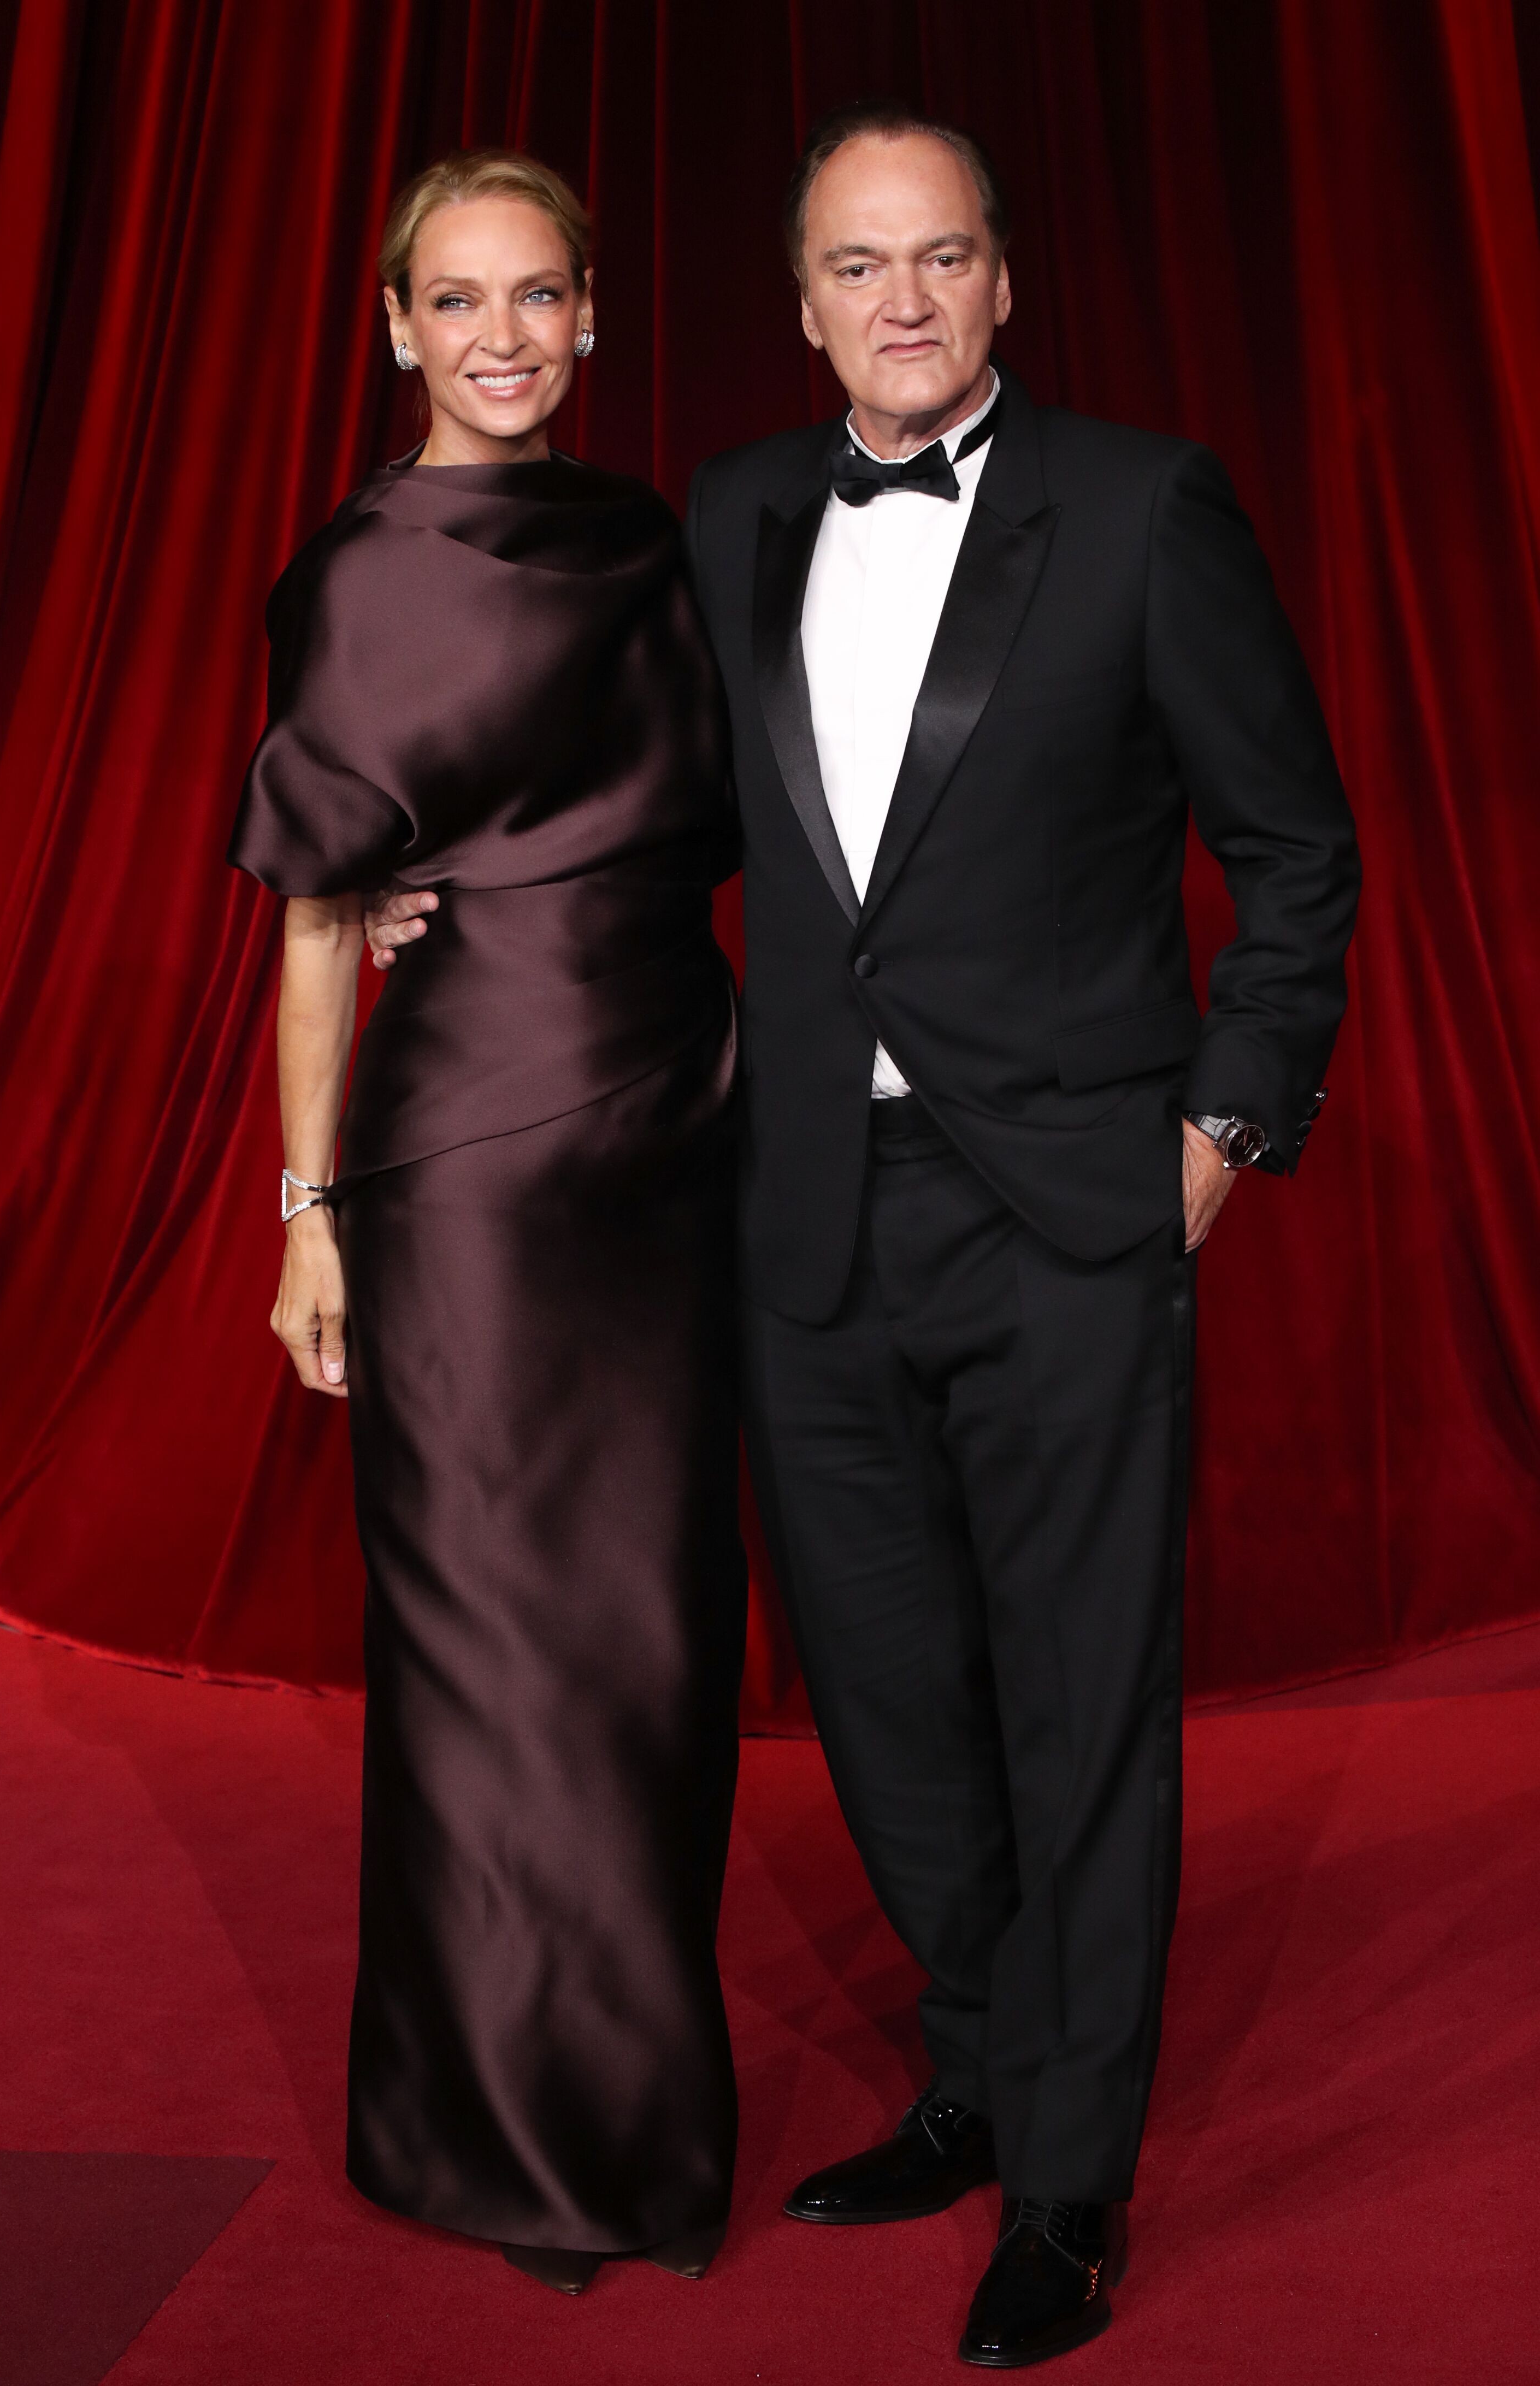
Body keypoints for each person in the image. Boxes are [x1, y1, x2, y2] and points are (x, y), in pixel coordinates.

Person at [369, 105, 1361, 2368]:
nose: (899, 302)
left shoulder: (1145, 506)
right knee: (895, 1703)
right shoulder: (731, 513)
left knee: (1078, 1707)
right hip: (805, 1213)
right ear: (802, 302)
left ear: (1000, 279)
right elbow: (646, 797)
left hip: (1071, 1215)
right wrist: (438, 872)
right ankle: (977, 2077)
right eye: (854, 265)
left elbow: (1295, 853)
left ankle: (1074, 2186)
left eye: (937, 259)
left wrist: (1217, 1132)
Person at [229, 150, 746, 2297]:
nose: (502, 337)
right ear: (394, 328)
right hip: (469, 1170)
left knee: (652, 1644)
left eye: (538, 296)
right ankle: (498, 2135)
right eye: (457, 300)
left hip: (678, 1127)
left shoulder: (646, 537)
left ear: (591, 312)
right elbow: (314, 923)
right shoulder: (359, 575)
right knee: (491, 1649)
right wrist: (308, 1214)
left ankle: (630, 2105)